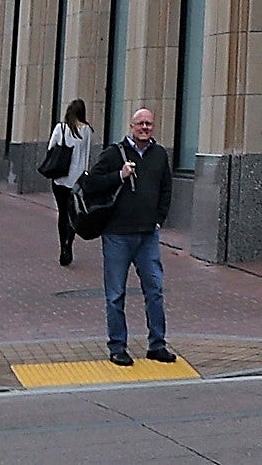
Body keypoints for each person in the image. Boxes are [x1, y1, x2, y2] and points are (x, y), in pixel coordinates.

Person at [94, 107, 175, 366]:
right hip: (117, 234)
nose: (144, 128)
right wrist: (120, 175)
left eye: (149, 124)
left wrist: (159, 220)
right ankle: (118, 346)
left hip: (148, 235)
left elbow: (166, 189)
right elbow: (91, 183)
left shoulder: (159, 155)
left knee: (155, 290)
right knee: (116, 293)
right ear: (131, 125)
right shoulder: (113, 154)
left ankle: (157, 344)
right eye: (140, 123)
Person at [47, 98, 98, 266]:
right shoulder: (87, 131)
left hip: (60, 178)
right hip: (77, 180)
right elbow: (87, 154)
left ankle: (63, 247)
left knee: (62, 213)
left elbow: (50, 148)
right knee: (73, 214)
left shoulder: (60, 128)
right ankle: (69, 242)